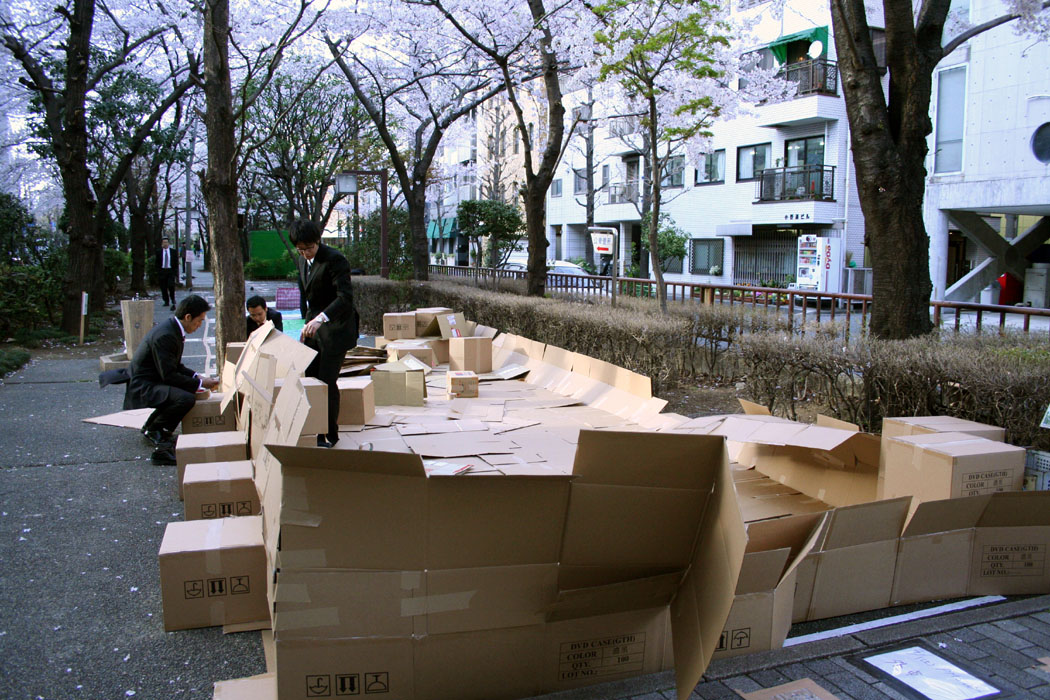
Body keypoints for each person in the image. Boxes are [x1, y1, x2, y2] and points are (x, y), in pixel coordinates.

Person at [124, 294, 220, 465]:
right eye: (199, 321)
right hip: (143, 386)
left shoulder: (172, 329)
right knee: (185, 398)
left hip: (151, 379)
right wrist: (199, 383)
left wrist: (197, 377)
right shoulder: (166, 335)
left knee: (185, 390)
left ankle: (152, 427)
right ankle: (158, 430)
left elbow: (175, 366)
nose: (199, 325)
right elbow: (169, 375)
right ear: (188, 317)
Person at [290, 218, 358, 448]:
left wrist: (321, 318)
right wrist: (305, 323)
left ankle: (330, 434)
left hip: (336, 328)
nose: (305, 253)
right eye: (300, 249)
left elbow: (345, 298)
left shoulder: (335, 259)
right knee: (310, 380)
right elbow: (306, 296)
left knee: (326, 383)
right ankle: (314, 433)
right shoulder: (302, 260)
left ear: (318, 241)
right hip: (313, 329)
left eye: (309, 248)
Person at [156, 236, 177, 311]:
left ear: (168, 243)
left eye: (166, 242)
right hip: (162, 271)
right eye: (164, 242)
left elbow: (176, 262)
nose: (165, 244)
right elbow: (157, 262)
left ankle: (173, 298)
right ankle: (166, 301)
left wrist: (175, 272)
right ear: (162, 244)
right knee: (163, 287)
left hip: (170, 271)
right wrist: (158, 271)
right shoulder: (159, 252)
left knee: (171, 286)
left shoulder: (173, 252)